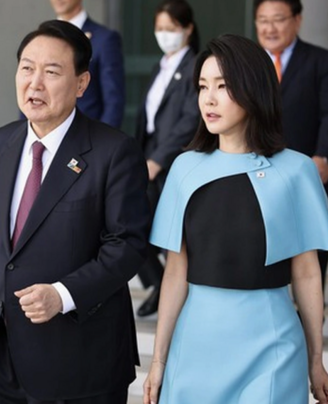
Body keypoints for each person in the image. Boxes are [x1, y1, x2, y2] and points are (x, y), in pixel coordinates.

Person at [142, 34, 328, 404]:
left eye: (223, 86)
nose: (209, 98)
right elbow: (175, 272)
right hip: (195, 343)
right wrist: (158, 361)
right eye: (203, 86)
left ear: (253, 89)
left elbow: (306, 272)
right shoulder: (184, 168)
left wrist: (316, 361)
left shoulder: (297, 170)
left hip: (273, 344)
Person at [0, 20, 150, 404]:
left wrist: (63, 294)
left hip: (79, 363)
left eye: (51, 72)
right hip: (0, 358)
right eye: (27, 68)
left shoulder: (113, 152)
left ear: (82, 84)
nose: (35, 83)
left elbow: (128, 245)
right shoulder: (2, 141)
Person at [254, 0, 328, 294]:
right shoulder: (248, 64)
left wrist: (324, 157)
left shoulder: (322, 61)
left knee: (311, 252)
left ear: (297, 20)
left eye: (278, 19)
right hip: (257, 176)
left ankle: (311, 315)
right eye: (262, 20)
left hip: (306, 173)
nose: (269, 28)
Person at [134, 0, 200, 317]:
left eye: (171, 29)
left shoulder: (195, 66)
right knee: (128, 225)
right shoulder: (159, 66)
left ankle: (169, 287)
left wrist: (157, 160)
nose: (165, 35)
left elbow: (190, 120)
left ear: (187, 29)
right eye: (160, 28)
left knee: (166, 231)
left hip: (171, 164)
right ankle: (161, 284)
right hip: (148, 160)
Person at [49, 0, 125, 128]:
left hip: (87, 136)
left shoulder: (104, 39)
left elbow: (114, 101)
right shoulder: (42, 40)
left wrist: (104, 143)